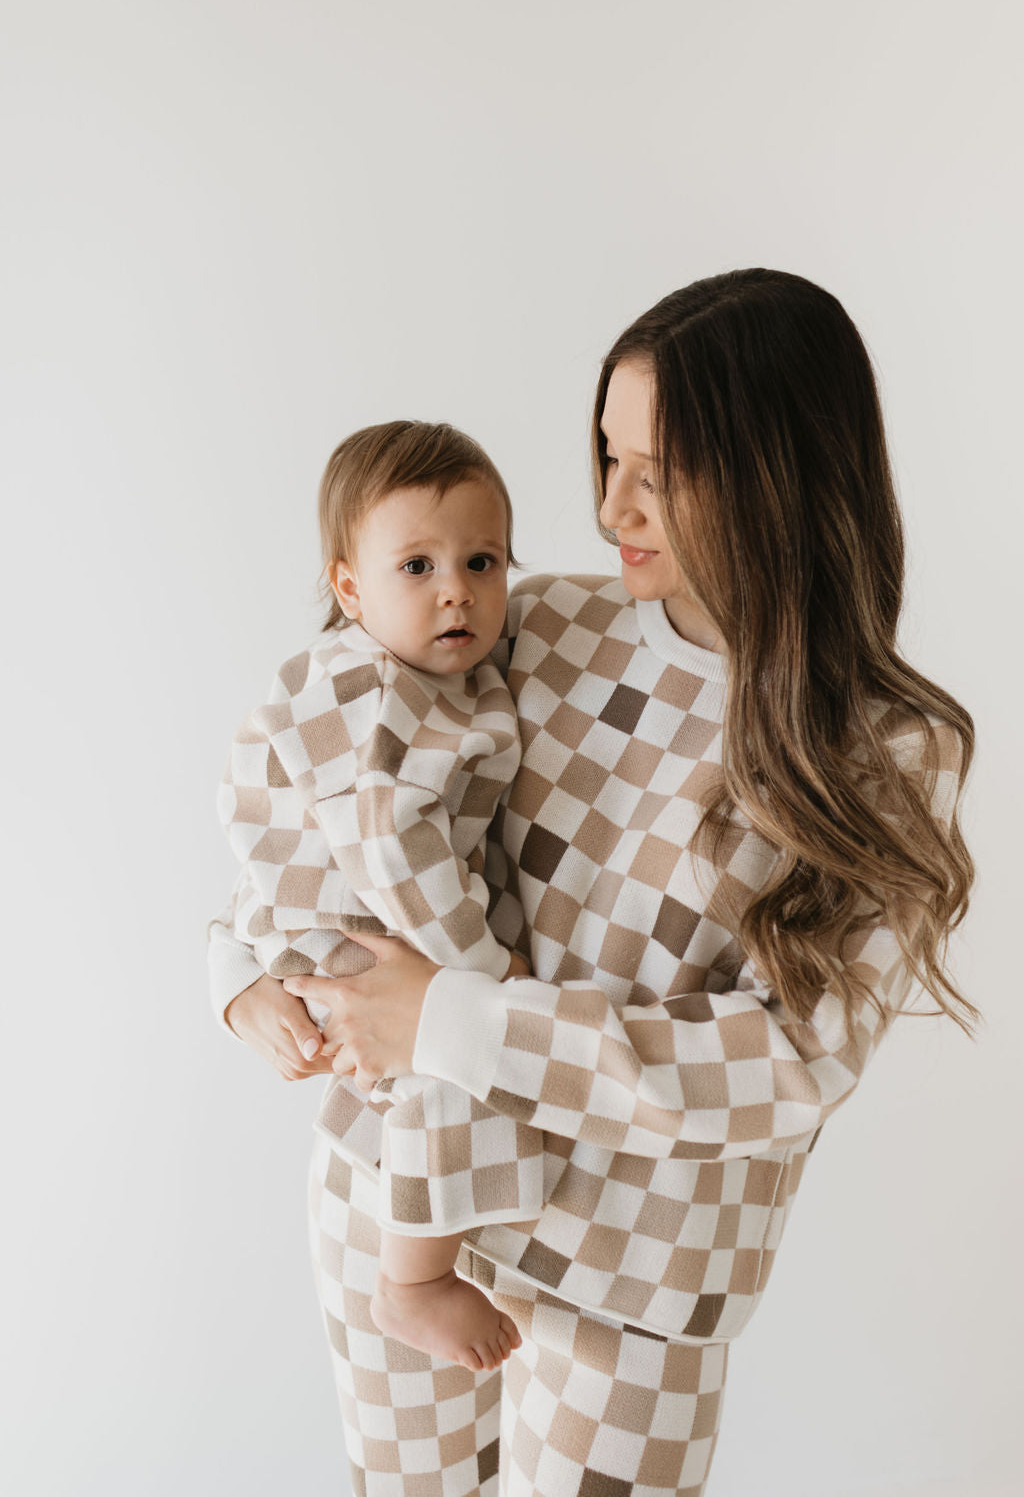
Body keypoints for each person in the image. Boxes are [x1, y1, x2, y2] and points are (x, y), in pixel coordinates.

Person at [211, 268, 977, 1497]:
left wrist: (456, 1020)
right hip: (403, 1193)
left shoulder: (882, 750)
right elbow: (323, 767)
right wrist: (240, 966)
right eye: (607, 453)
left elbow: (791, 1061)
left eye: (658, 467)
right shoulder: (535, 625)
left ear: (777, 470)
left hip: (638, 1277)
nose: (612, 502)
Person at [213, 419, 553, 1372]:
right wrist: (479, 975)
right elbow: (389, 847)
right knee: (446, 1064)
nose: (458, 589)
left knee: (438, 1061)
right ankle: (413, 1279)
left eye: (483, 561)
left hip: (327, 910)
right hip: (346, 920)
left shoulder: (430, 680)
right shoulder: (375, 696)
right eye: (417, 566)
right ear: (349, 587)